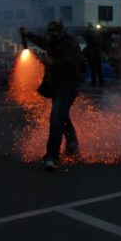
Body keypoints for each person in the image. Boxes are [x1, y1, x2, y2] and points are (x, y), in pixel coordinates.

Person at [20, 21, 86, 170]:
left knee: (56, 119)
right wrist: (28, 34)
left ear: (62, 32)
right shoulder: (53, 42)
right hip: (57, 86)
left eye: (55, 33)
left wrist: (52, 62)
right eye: (50, 33)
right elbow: (42, 42)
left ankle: (52, 157)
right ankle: (72, 145)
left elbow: (71, 61)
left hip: (69, 86)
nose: (52, 36)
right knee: (62, 117)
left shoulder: (70, 44)